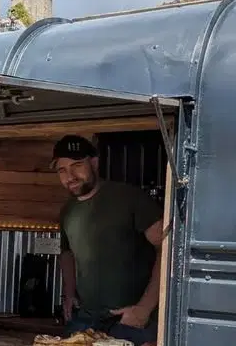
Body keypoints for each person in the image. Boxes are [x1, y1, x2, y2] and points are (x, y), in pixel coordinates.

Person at [53, 135, 163, 346]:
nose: (70, 176)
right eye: (62, 170)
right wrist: (69, 294)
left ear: (94, 163)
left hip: (130, 321)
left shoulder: (129, 198)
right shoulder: (68, 210)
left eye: (77, 165)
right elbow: (67, 253)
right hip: (86, 320)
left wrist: (144, 309)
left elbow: (168, 249)